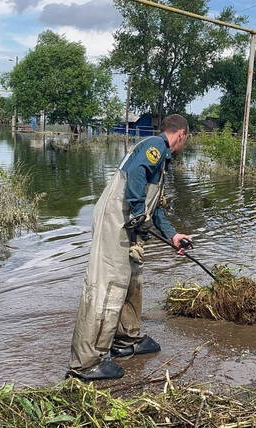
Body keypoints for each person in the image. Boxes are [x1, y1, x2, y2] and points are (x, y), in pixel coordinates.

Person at [67, 114, 192, 381]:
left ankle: (126, 341)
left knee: (131, 279)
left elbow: (153, 206)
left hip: (130, 223)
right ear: (181, 133)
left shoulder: (161, 161)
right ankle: (85, 363)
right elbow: (135, 177)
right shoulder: (153, 147)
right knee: (107, 284)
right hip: (116, 221)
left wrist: (172, 236)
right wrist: (137, 214)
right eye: (187, 139)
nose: (185, 145)